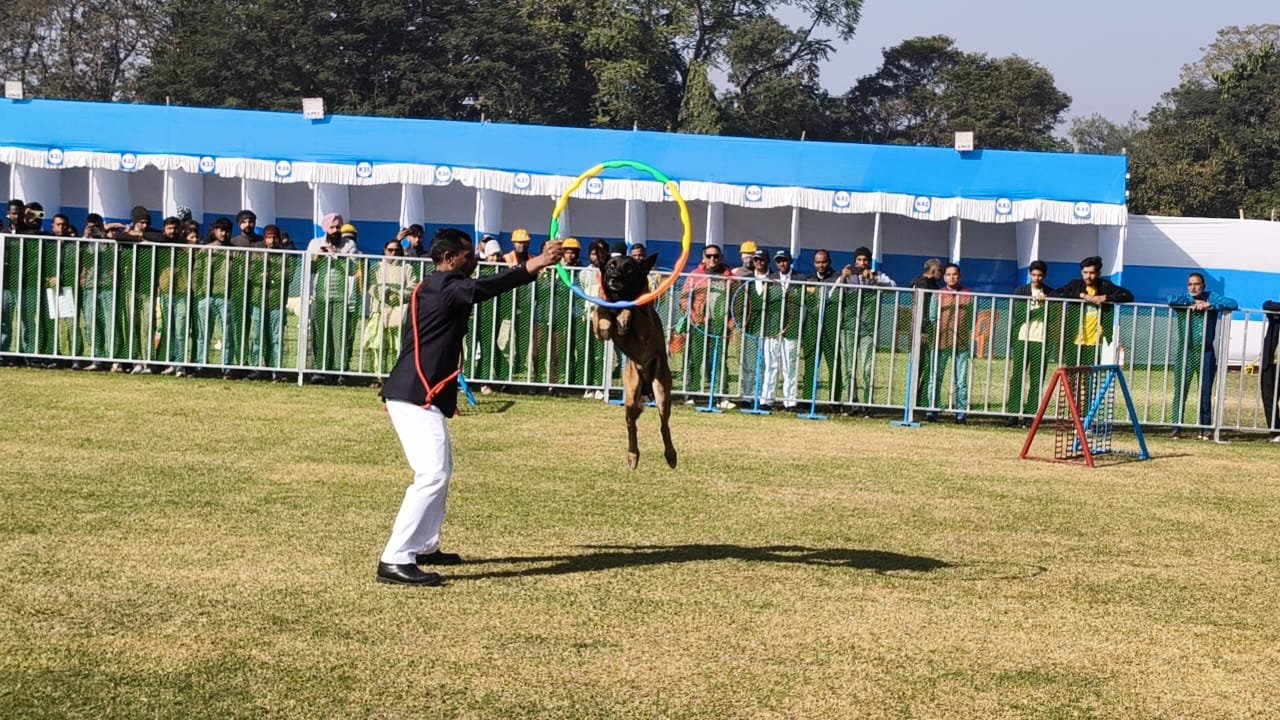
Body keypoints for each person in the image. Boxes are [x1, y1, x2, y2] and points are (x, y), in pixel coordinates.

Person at [375, 228, 563, 586]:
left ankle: (425, 545)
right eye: (467, 255)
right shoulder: (446, 287)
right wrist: (534, 264)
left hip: (415, 392)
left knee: (441, 471)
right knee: (431, 475)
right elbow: (485, 289)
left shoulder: (434, 286)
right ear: (448, 259)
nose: (474, 260)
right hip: (417, 395)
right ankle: (395, 558)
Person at [1167, 273, 1238, 438]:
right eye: (1190, 284)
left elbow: (1232, 303)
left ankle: (1205, 428)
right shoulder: (1185, 297)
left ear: (1203, 286)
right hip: (1185, 352)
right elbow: (1170, 299)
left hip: (1205, 352)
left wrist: (1209, 304)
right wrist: (1192, 302)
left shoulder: (1211, 297)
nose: (1193, 287)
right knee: (1180, 390)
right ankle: (1176, 427)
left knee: (1205, 391)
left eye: (1197, 284)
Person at [837, 247, 896, 412]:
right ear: (854, 261)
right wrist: (842, 277)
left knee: (868, 367)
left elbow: (893, 286)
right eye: (859, 260)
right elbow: (832, 292)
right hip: (848, 328)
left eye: (865, 260)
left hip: (868, 329)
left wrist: (875, 280)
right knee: (849, 367)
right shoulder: (847, 274)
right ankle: (851, 402)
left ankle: (868, 403)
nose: (862, 264)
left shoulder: (876, 275)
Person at [1051, 255, 1134, 366]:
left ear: (1098, 273)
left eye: (1091, 273)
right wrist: (1081, 295)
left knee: (1090, 372)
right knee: (1071, 371)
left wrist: (1105, 297)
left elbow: (1128, 295)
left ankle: (1087, 383)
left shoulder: (1105, 285)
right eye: (1085, 272)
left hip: (1093, 340)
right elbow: (1055, 294)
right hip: (1074, 337)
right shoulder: (1075, 284)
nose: (1088, 276)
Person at [678, 243, 734, 404]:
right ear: (703, 257)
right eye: (709, 256)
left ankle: (721, 395)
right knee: (695, 359)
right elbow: (684, 298)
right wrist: (692, 315)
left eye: (716, 256)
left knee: (719, 359)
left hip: (720, 325)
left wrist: (730, 322)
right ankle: (691, 394)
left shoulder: (728, 276)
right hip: (699, 324)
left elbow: (736, 300)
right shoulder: (695, 275)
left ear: (721, 258)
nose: (712, 259)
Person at [306, 215, 359, 383]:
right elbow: (307, 267)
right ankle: (320, 370)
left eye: (338, 227)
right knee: (320, 333)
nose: (335, 231)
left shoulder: (349, 245)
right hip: (320, 295)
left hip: (341, 297)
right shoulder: (315, 243)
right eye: (332, 227)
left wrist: (337, 255)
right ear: (325, 229)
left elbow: (353, 269)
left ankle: (340, 370)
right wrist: (317, 258)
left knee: (340, 334)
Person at [1004, 261, 1055, 425]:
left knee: (1037, 378)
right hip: (1021, 337)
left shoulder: (1051, 293)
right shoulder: (1021, 291)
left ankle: (1030, 415)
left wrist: (1047, 302)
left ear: (1045, 276)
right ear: (1029, 274)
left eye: (1040, 275)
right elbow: (1019, 315)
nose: (1037, 278)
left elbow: (1053, 315)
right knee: (1017, 376)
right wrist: (1040, 308)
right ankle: (1013, 413)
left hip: (1040, 339)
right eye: (1034, 275)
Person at [759, 249, 807, 411]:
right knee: (771, 365)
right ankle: (766, 400)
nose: (781, 264)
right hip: (772, 328)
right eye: (779, 261)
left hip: (792, 328)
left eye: (784, 260)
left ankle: (790, 401)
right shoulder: (770, 279)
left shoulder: (800, 279)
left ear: (790, 261)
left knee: (790, 366)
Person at [925, 263, 973, 423]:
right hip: (940, 342)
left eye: (955, 274)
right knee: (935, 377)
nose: (952, 277)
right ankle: (932, 410)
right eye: (948, 274)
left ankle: (960, 413)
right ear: (944, 277)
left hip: (962, 344)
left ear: (960, 276)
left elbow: (971, 317)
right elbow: (932, 316)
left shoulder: (968, 294)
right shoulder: (938, 294)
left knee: (961, 381)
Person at [1261, 299, 1280, 442]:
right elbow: (1267, 304)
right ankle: (1275, 432)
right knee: (1268, 398)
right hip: (1271, 362)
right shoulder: (1275, 311)